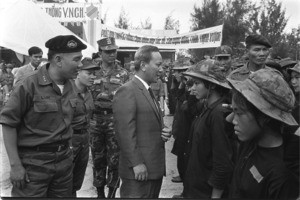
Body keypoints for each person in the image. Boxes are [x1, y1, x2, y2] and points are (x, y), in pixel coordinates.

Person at [0, 35, 86, 197]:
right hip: (33, 166)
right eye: (76, 60)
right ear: (58, 60)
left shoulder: (72, 87)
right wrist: (15, 165)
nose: (80, 65)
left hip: (63, 165)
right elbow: (8, 124)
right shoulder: (28, 85)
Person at [226, 68, 299, 199]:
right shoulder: (250, 144)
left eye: (239, 113)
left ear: (264, 116)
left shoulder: (282, 175)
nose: (230, 120)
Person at [113, 45, 170, 198]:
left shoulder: (147, 90)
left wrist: (162, 131)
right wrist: (137, 163)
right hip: (138, 172)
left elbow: (143, 122)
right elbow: (124, 132)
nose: (161, 69)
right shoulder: (128, 90)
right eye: (158, 65)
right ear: (143, 65)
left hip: (151, 169)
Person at [182, 60, 234, 198]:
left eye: (197, 83)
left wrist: (215, 196)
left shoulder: (218, 114)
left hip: (205, 192)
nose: (192, 88)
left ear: (211, 85)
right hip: (196, 188)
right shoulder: (208, 108)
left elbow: (222, 161)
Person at [89, 37, 129, 198]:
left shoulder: (123, 73)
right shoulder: (91, 71)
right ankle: (99, 193)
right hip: (95, 121)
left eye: (114, 51)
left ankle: (112, 193)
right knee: (98, 159)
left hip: (114, 120)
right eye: (108, 51)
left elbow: (127, 98)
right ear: (100, 53)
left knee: (114, 159)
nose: (112, 54)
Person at [71, 57, 99, 197]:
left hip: (84, 140)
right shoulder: (66, 92)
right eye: (89, 73)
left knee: (76, 181)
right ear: (78, 72)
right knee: (64, 181)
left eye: (94, 74)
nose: (93, 77)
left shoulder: (88, 93)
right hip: (70, 140)